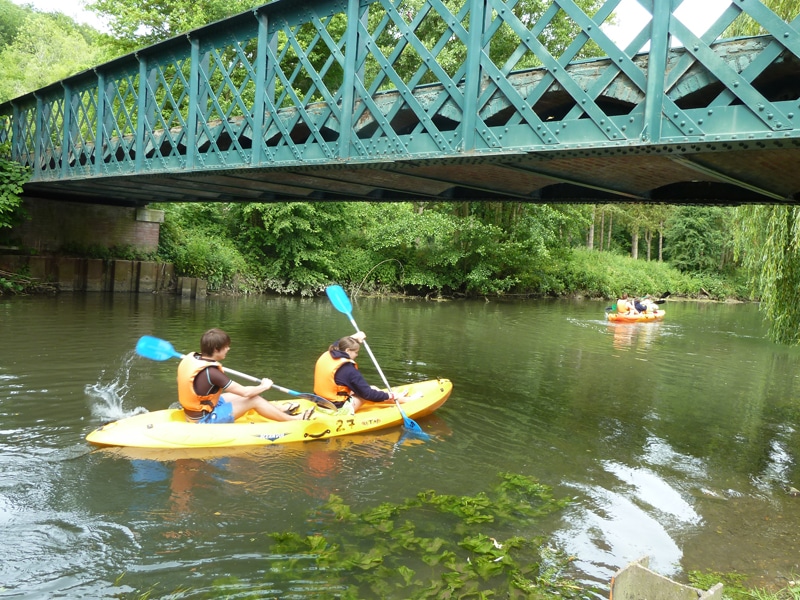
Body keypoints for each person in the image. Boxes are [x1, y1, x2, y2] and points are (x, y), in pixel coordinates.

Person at [177, 328, 314, 423]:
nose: (228, 349)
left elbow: (243, 391)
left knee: (245, 392)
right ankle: (295, 419)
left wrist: (257, 388)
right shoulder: (212, 373)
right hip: (203, 420)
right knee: (253, 398)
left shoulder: (194, 359)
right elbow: (246, 393)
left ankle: (279, 410)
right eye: (226, 347)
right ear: (216, 349)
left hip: (197, 409)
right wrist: (265, 386)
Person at [313, 331, 407, 414]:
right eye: (356, 352)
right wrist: (390, 395)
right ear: (348, 350)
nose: (357, 355)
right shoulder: (347, 369)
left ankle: (399, 398)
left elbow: (339, 343)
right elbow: (368, 394)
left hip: (320, 403)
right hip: (336, 410)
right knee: (371, 390)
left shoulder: (329, 353)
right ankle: (403, 399)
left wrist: (355, 336)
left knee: (369, 389)